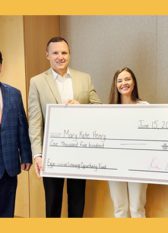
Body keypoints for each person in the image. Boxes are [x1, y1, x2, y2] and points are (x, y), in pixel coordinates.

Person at [28, 36, 101, 217]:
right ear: (47, 55)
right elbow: (35, 121)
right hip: (51, 152)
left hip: (79, 151)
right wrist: (37, 155)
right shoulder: (36, 82)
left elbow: (99, 109)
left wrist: (81, 108)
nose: (60, 57)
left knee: (77, 200)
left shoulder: (85, 78)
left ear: (69, 54)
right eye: (55, 53)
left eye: (64, 52)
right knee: (53, 201)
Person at [108, 67, 148, 217]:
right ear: (115, 85)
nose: (124, 83)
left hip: (138, 164)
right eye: (120, 80)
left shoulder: (145, 107)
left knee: (137, 208)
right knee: (120, 209)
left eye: (127, 79)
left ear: (134, 82)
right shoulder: (108, 111)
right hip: (114, 164)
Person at [0, 51, 32, 217]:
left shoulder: (13, 94)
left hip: (8, 164)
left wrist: (26, 155)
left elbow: (22, 126)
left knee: (6, 213)